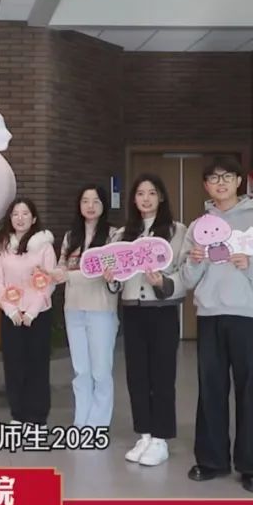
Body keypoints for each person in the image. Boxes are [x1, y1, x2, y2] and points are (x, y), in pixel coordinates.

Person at [181, 156, 253, 493]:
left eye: (227, 176)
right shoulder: (199, 226)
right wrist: (195, 261)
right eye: (213, 178)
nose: (220, 183)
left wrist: (249, 264)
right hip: (209, 315)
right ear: (206, 185)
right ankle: (211, 460)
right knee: (210, 389)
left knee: (250, 390)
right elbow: (187, 278)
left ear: (240, 180)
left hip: (248, 315)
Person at [111, 174, 187, 467]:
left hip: (162, 310)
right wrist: (111, 278)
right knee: (137, 375)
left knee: (162, 375)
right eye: (140, 193)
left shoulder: (177, 231)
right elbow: (116, 278)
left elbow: (184, 271)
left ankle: (161, 438)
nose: (146, 199)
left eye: (152, 193)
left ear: (161, 197)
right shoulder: (123, 234)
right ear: (133, 199)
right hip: (133, 311)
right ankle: (144, 433)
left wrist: (162, 282)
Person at [52, 185, 122, 428]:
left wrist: (68, 275)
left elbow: (98, 274)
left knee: (100, 371)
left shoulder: (114, 236)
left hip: (101, 310)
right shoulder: (71, 236)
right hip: (73, 309)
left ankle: (97, 426)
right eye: (85, 201)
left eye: (96, 201)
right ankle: (81, 424)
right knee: (81, 371)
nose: (90, 206)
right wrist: (53, 273)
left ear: (104, 205)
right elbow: (61, 265)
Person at [0, 198, 57, 425]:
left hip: (38, 314)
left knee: (37, 366)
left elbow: (48, 281)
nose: (20, 218)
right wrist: (11, 311)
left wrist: (31, 312)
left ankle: (37, 417)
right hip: (12, 316)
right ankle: (18, 415)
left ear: (34, 218)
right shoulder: (1, 245)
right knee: (14, 366)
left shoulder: (44, 246)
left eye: (25, 213)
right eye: (16, 214)